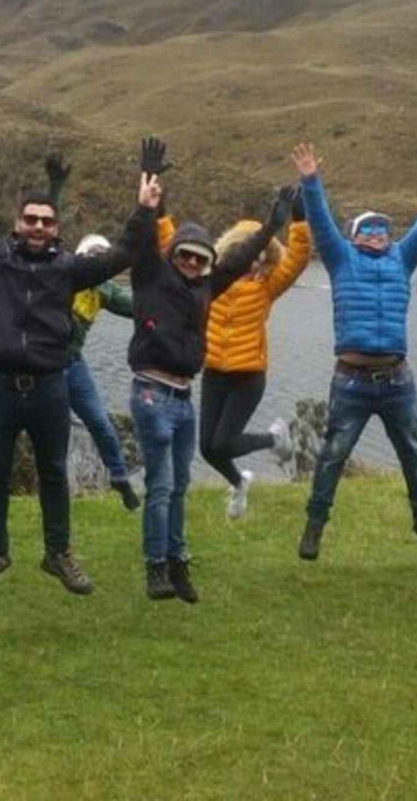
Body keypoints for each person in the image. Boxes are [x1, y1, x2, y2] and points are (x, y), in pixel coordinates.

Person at [0, 123, 155, 598]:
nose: (39, 227)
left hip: (50, 386)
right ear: (17, 223)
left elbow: (124, 254)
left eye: (47, 221)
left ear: (57, 228)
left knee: (53, 472)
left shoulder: (69, 270)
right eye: (31, 219)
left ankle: (59, 553)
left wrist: (144, 210)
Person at [291, 142, 417, 561]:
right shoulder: (341, 259)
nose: (378, 236)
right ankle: (315, 525)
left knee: (414, 452)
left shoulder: (402, 259)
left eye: (383, 230)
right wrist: (310, 180)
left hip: (397, 379)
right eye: (369, 230)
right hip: (351, 380)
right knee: (333, 454)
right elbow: (320, 221)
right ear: (355, 235)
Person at [129, 155, 299, 603]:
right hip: (178, 385)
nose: (189, 260)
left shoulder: (242, 284)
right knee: (181, 470)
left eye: (197, 257)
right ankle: (160, 565)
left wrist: (287, 221)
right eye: (184, 255)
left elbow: (291, 257)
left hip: (227, 380)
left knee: (187, 474)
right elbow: (163, 239)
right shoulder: (184, 279)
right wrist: (152, 191)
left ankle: (177, 560)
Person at [0, 155, 144, 513]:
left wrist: (164, 313)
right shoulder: (60, 273)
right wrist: (56, 186)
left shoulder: (104, 290)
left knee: (100, 422)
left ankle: (120, 478)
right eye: (91, 255)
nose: (95, 262)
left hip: (70, 365)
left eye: (100, 258)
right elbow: (43, 229)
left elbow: (136, 308)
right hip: (37, 367)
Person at [195, 197, 312, 519]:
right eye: (248, 254)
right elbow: (171, 249)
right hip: (214, 373)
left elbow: (298, 260)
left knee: (224, 443)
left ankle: (275, 438)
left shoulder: (267, 287)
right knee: (207, 449)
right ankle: (239, 482)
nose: (255, 262)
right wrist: (157, 212)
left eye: (262, 256)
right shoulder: (209, 282)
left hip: (248, 377)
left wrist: (299, 220)